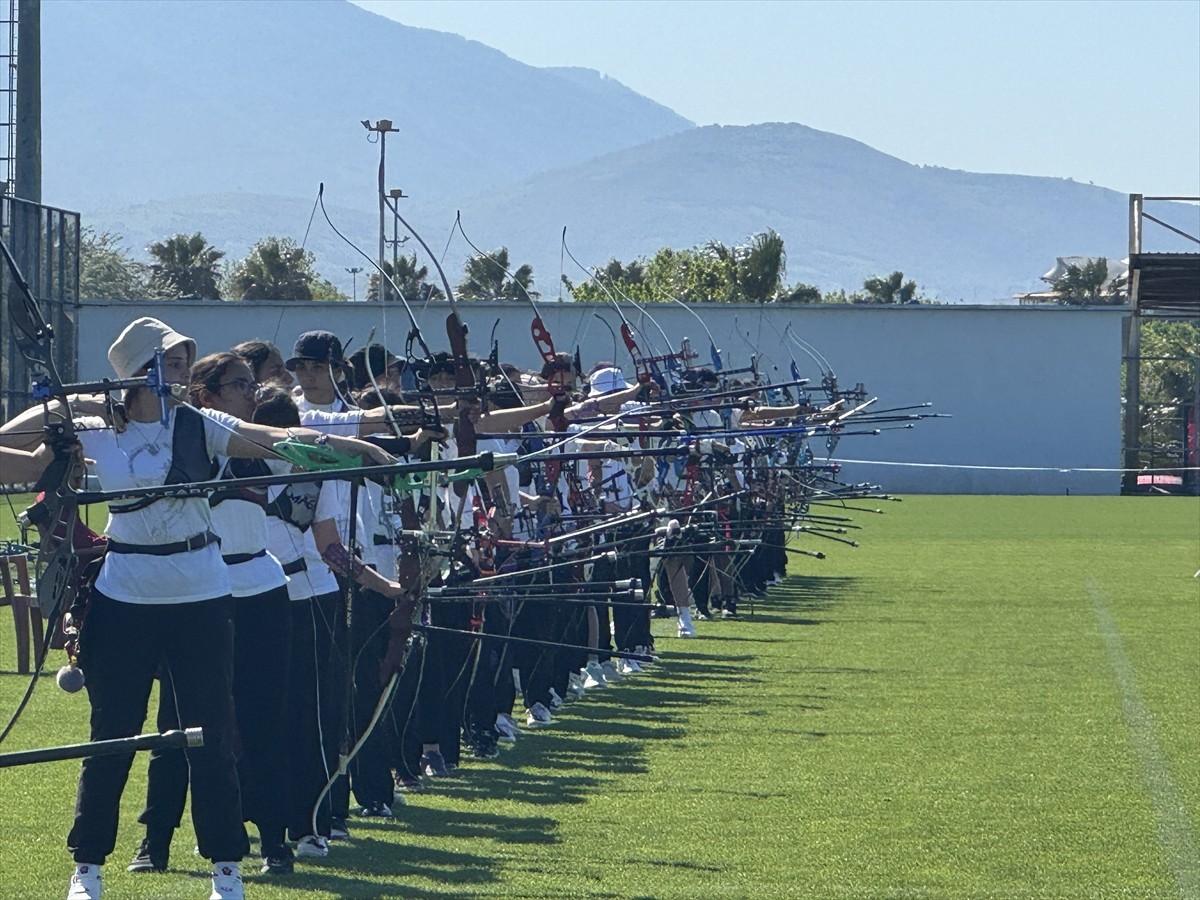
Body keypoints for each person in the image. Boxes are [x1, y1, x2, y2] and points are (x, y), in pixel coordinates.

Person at [13, 317, 394, 900]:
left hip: (201, 596)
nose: (181, 373)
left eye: (184, 361)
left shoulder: (200, 423)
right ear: (137, 372)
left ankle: (226, 871)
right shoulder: (93, 431)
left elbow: (274, 439)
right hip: (125, 598)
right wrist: (68, 410)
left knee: (211, 734)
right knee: (111, 734)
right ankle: (87, 868)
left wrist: (359, 447)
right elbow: (10, 450)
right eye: (168, 362)